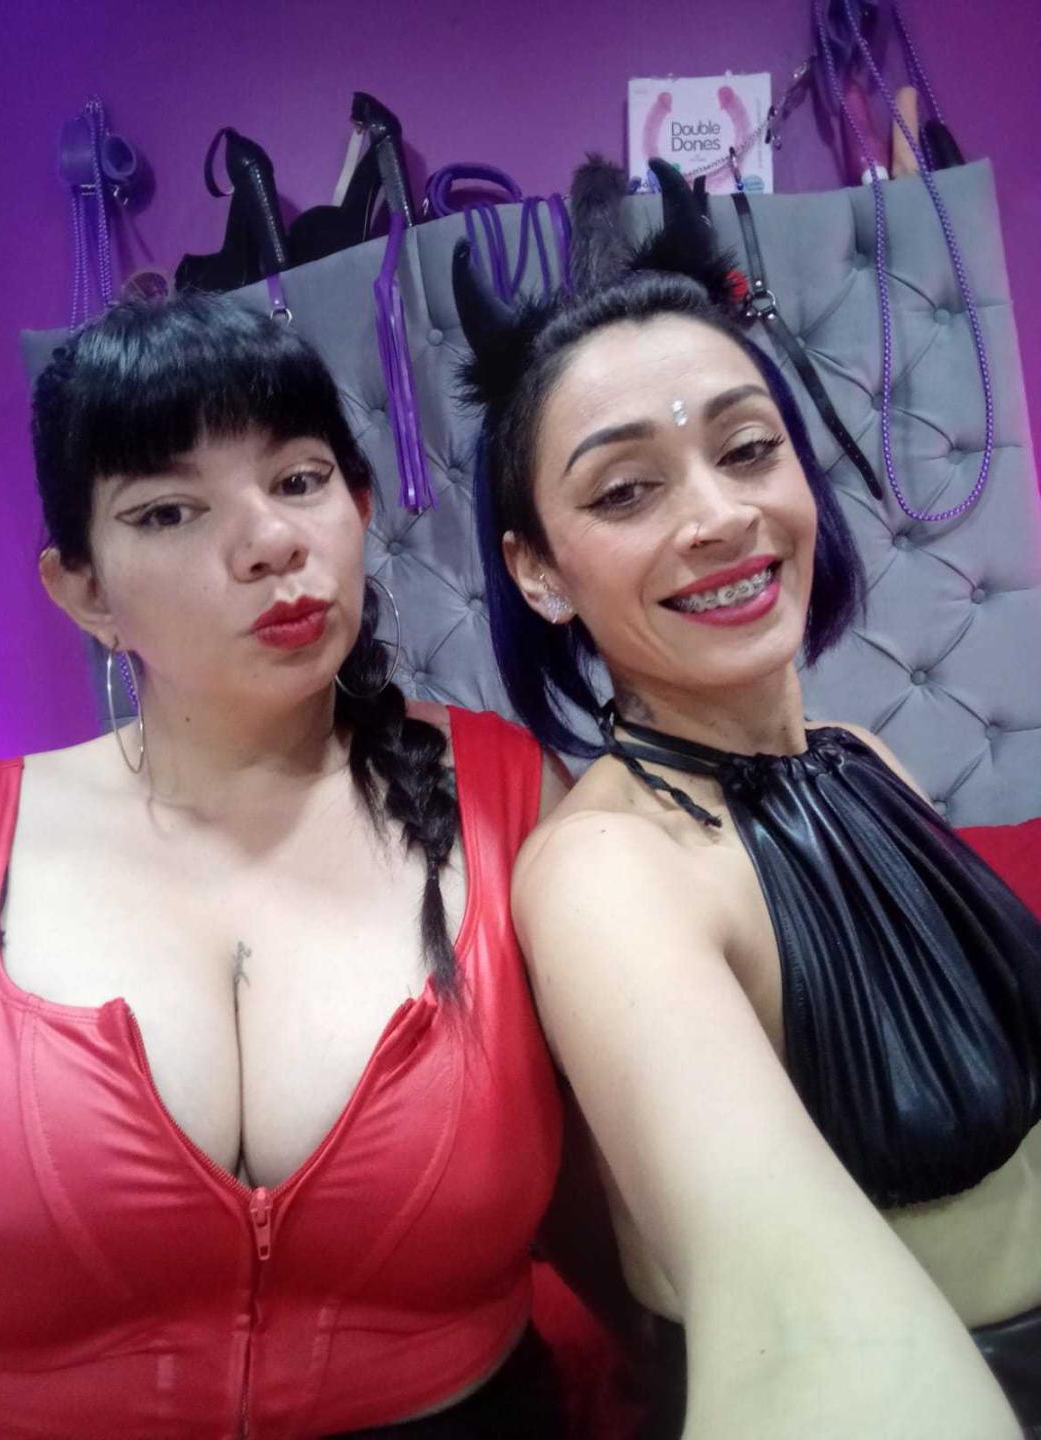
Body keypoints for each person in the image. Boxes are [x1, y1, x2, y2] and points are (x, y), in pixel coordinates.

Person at [455, 158, 1038, 1437]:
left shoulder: (858, 756)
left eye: (747, 448)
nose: (719, 515)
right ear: (539, 572)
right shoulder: (611, 874)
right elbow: (788, 1314)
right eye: (626, 490)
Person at [0, 293, 572, 1440]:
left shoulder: (514, 799)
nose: (272, 542)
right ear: (84, 590)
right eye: (168, 510)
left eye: (299, 480)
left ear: (359, 507)